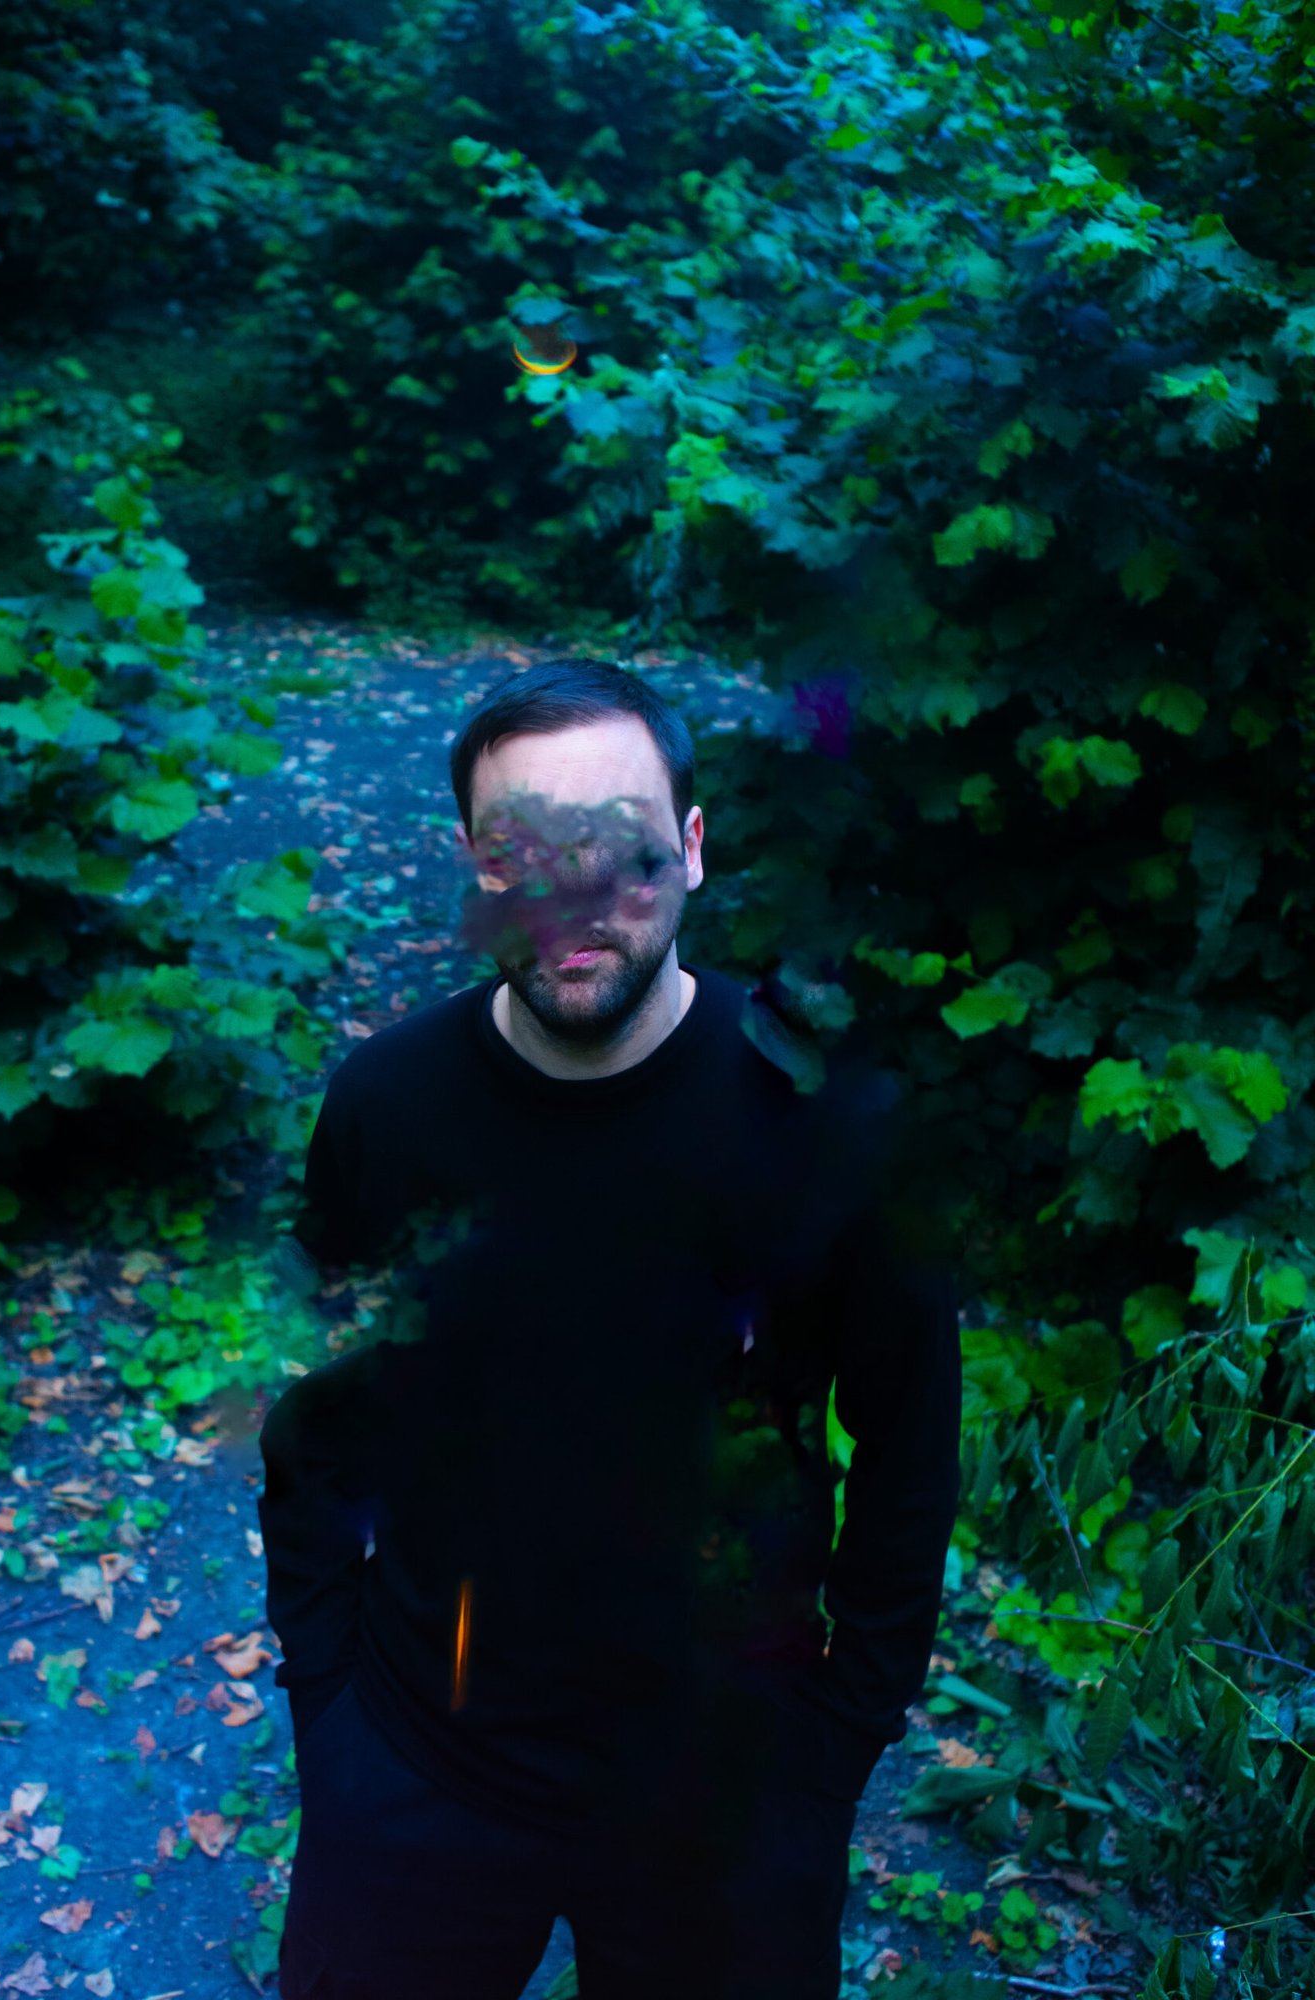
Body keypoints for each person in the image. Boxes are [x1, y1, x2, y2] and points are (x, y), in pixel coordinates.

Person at [257, 657, 962, 1999]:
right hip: (416, 1767)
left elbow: (910, 1447)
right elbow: (318, 1423)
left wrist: (837, 1744)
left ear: (690, 849)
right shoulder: (388, 1109)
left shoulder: (832, 1127)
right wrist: (330, 1705)